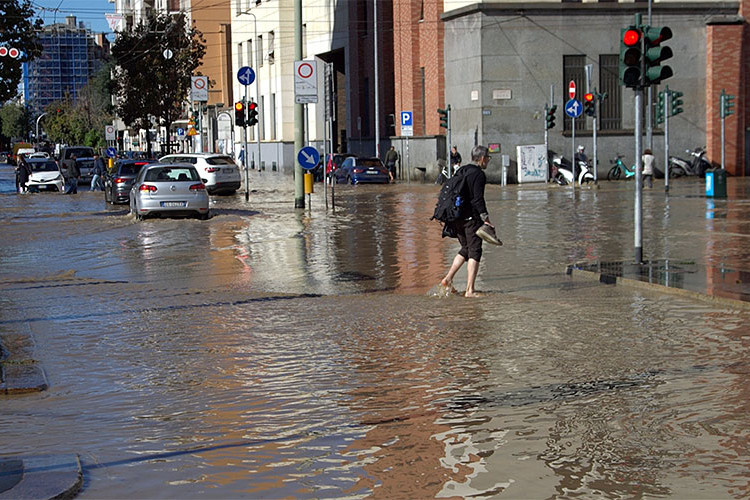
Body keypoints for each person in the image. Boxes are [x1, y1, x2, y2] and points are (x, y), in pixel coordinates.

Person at [440, 145, 494, 298]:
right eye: (488, 158)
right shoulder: (479, 174)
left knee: (466, 248)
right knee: (475, 251)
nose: (488, 161)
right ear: (482, 158)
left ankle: (448, 279)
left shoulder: (462, 170)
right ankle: (470, 290)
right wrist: (486, 219)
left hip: (455, 218)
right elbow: (477, 199)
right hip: (471, 219)